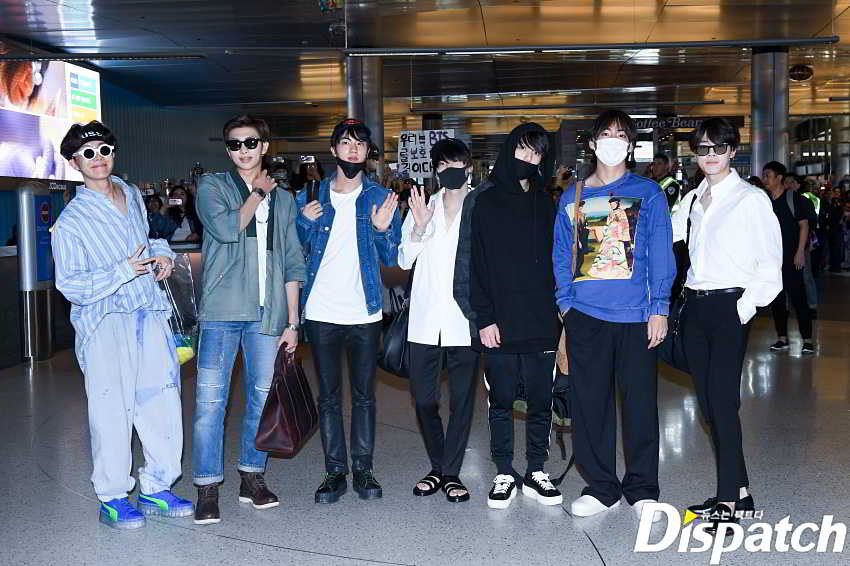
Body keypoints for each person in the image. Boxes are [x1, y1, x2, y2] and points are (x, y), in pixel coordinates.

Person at [51, 120, 192, 529]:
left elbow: (147, 239)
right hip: (105, 323)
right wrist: (123, 271)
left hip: (149, 312)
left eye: (104, 150)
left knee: (162, 401)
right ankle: (112, 496)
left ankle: (157, 485)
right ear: (74, 163)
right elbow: (71, 285)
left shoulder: (130, 193)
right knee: (112, 408)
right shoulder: (71, 221)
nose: (98, 159)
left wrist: (162, 255)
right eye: (88, 153)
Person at [553, 110, 674, 521]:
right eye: (605, 134)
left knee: (640, 405)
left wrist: (659, 307)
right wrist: (566, 305)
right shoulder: (573, 196)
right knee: (590, 404)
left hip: (637, 316)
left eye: (621, 135)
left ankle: (642, 487)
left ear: (631, 145)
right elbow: (561, 253)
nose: (612, 141)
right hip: (586, 314)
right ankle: (601, 486)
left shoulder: (648, 193)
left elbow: (660, 251)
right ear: (592, 143)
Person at [192, 114, 306, 525]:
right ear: (228, 150)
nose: (243, 150)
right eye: (235, 144)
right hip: (221, 311)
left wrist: (293, 322)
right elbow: (227, 228)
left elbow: (292, 260)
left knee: (261, 397)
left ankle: (252, 475)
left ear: (265, 146)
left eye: (251, 142)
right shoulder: (212, 187)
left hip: (266, 314)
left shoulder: (284, 199)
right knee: (210, 403)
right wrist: (257, 193)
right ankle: (207, 485)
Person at [671, 118, 782, 535]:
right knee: (710, 405)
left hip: (728, 309)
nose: (711, 155)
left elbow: (771, 267)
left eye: (719, 147)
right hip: (694, 307)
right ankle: (741, 492)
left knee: (721, 402)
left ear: (733, 151)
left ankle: (727, 502)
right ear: (695, 154)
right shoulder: (691, 199)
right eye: (703, 148)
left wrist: (742, 310)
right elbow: (664, 237)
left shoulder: (751, 199)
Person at [453, 122, 562, 510]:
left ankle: (536, 469)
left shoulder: (546, 202)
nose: (528, 159)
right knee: (500, 400)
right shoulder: (483, 201)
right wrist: (482, 318)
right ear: (509, 150)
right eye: (523, 150)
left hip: (541, 319)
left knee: (541, 400)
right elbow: (471, 264)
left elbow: (557, 261)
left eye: (536, 153)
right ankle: (503, 470)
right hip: (497, 320)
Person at [296, 118, 401, 504]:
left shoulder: (380, 197)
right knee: (328, 396)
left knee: (364, 396)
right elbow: (296, 252)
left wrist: (382, 229)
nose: (353, 149)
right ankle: (334, 471)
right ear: (333, 150)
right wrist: (303, 223)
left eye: (360, 143)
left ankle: (363, 468)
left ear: (368, 152)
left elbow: (391, 257)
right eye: (345, 142)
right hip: (321, 310)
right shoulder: (309, 196)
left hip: (364, 312)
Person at [398, 138, 480, 504]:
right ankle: (440, 465)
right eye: (444, 166)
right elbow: (403, 260)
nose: (451, 171)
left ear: (469, 169)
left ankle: (449, 473)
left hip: (467, 320)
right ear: (435, 171)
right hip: (425, 320)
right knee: (424, 400)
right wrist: (418, 227)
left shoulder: (482, 207)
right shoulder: (424, 206)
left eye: (457, 164)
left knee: (462, 402)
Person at [762, 161, 816, 355]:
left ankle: (807, 340)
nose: (765, 179)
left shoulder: (793, 199)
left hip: (792, 258)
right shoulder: (764, 201)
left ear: (779, 178)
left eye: (768, 175)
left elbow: (804, 225)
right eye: (764, 175)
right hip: (773, 260)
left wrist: (800, 251)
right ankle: (782, 338)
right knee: (777, 300)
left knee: (798, 298)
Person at [784, 174, 819, 314]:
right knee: (785, 276)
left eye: (792, 182)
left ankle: (812, 305)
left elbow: (811, 223)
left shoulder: (804, 201)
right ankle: (786, 306)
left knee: (805, 275)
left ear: (798, 185)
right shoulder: (779, 200)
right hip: (785, 245)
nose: (788, 185)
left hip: (801, 245)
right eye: (786, 182)